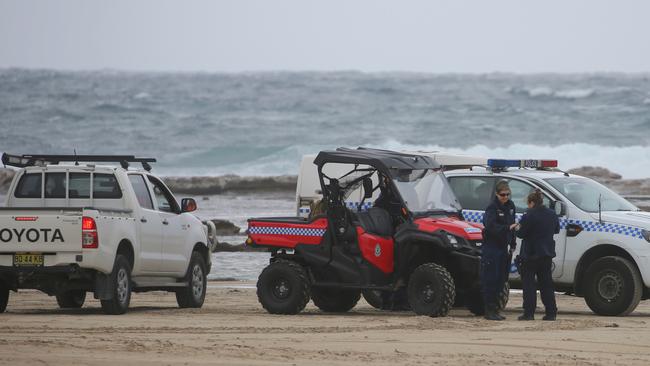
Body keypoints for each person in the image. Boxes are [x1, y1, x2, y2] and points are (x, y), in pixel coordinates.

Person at [514, 189, 560, 321]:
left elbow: (521, 233)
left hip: (530, 254)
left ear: (531, 202)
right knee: (546, 284)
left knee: (529, 285)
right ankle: (551, 312)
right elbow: (556, 229)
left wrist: (517, 227)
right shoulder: (552, 214)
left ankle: (529, 313)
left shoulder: (529, 215)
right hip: (546, 254)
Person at [481, 180, 517, 320]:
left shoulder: (510, 206)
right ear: (497, 194)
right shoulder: (492, 208)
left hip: (504, 247)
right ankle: (489, 310)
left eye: (507, 194)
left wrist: (512, 242)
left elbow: (512, 225)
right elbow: (490, 226)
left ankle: (496, 309)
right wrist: (506, 229)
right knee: (491, 278)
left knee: (501, 279)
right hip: (492, 247)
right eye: (502, 195)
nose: (505, 197)